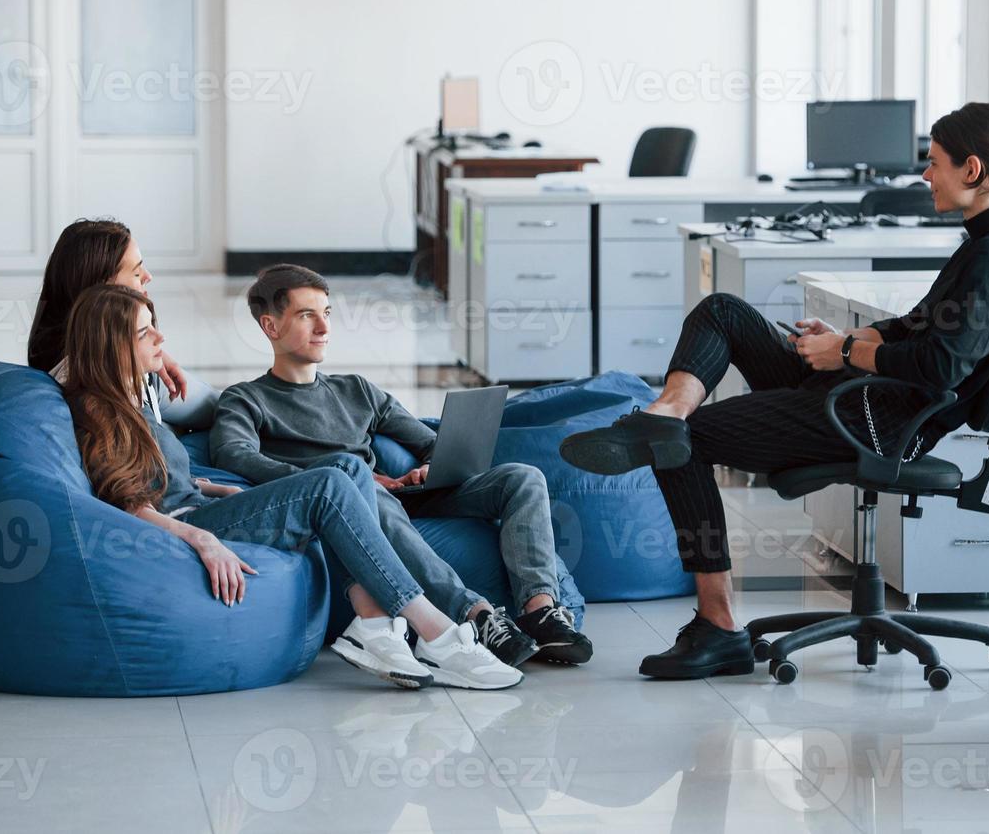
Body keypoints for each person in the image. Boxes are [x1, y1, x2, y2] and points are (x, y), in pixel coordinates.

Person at [560, 102, 989, 680]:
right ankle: (664, 411)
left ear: (971, 170)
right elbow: (919, 327)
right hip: (864, 393)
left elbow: (939, 367)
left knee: (683, 445)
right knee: (724, 311)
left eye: (933, 163)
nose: (924, 175)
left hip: (875, 419)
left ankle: (718, 627)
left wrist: (843, 353)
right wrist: (849, 339)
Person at [61, 284, 523, 691]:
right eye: (145, 334)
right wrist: (202, 539)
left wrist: (223, 492)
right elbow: (127, 505)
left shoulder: (135, 401)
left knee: (338, 480)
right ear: (112, 347)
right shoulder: (99, 411)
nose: (161, 338)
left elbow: (167, 482)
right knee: (328, 484)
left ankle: (379, 625)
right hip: (189, 528)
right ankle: (438, 633)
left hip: (202, 506)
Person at [210, 264, 593, 668]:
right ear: (270, 326)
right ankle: (476, 616)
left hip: (404, 494)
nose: (323, 327)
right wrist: (342, 479)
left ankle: (540, 611)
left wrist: (431, 466)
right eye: (307, 315)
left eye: (327, 313)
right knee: (356, 478)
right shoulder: (246, 398)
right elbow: (234, 454)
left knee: (523, 478)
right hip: (354, 512)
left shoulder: (356, 389)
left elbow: (428, 441)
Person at [29, 217, 218, 429]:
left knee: (225, 408)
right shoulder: (90, 377)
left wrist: (148, 351)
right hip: (141, 385)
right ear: (103, 290)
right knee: (226, 409)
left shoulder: (75, 341)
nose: (148, 276)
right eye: (137, 272)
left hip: (146, 379)